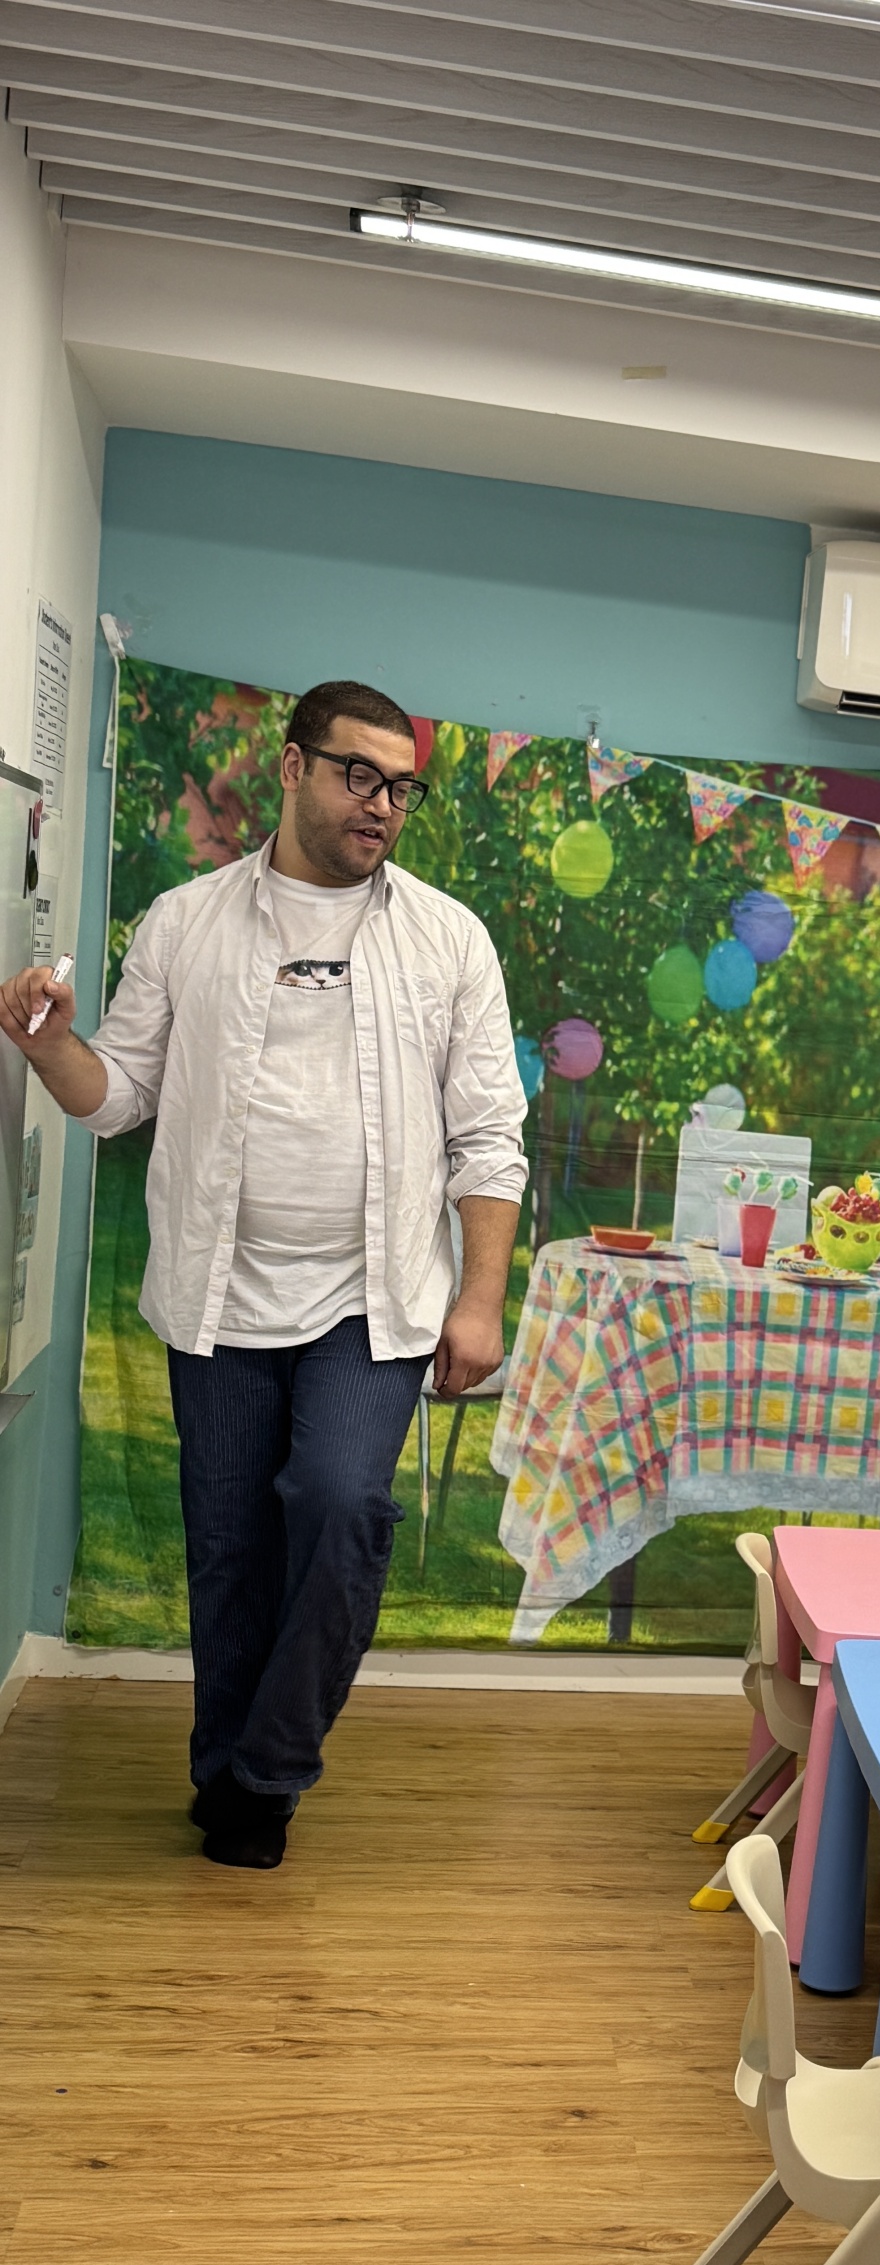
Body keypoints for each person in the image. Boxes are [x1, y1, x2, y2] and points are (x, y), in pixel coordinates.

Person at [0, 679, 529, 1872]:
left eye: (402, 787)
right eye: (359, 774)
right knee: (230, 1550)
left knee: (341, 1507)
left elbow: (490, 1137)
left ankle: (269, 1766)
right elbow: (116, 1095)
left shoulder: (448, 939)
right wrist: (46, 1045)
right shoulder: (186, 922)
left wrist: (480, 1297)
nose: (381, 804)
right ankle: (225, 1776)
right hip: (218, 1294)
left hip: (374, 1300)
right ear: (293, 767)